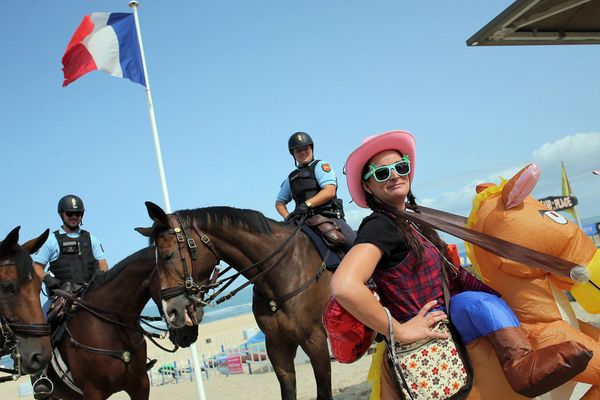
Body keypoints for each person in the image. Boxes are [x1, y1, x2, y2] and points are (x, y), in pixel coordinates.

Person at [331, 130, 591, 399]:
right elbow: (344, 285)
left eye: (400, 166)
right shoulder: (380, 225)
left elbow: (452, 275)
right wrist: (400, 330)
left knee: (477, 302)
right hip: (430, 341)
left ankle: (521, 361)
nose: (395, 175)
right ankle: (521, 367)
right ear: (367, 185)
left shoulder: (412, 219)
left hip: (450, 319)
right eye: (381, 173)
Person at [30, 194, 108, 399]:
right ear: (61, 214)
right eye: (70, 213)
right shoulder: (51, 240)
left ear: (82, 215)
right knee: (42, 325)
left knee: (118, 312)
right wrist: (47, 279)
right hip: (62, 294)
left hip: (90, 292)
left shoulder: (92, 239)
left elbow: (103, 265)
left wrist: (101, 275)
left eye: (78, 213)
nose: (74, 216)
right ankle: (41, 377)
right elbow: (36, 267)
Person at [275, 131, 346, 221]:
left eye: (305, 148)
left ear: (311, 148)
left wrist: (307, 204)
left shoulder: (320, 166)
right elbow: (279, 203)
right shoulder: (291, 178)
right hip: (302, 221)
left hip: (327, 217)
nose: (303, 152)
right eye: (298, 150)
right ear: (294, 154)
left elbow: (329, 191)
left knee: (333, 235)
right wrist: (288, 218)